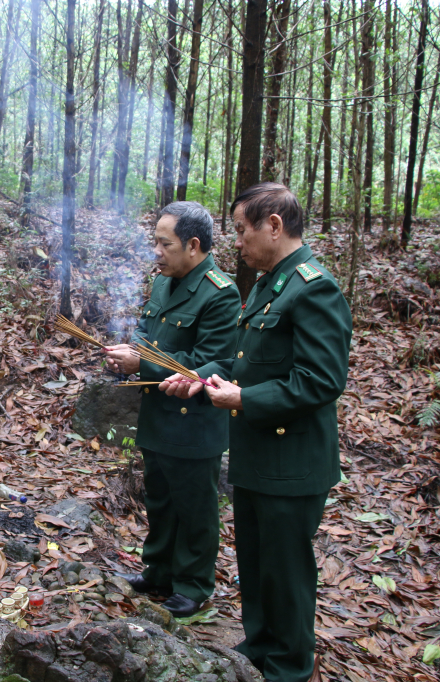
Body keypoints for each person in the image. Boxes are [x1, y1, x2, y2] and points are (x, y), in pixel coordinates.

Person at [160, 182, 352, 682]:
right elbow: (250, 361)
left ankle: (289, 666)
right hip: (255, 456)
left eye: (243, 231)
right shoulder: (270, 283)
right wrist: (204, 378)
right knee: (257, 559)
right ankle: (259, 645)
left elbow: (322, 380)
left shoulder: (314, 287)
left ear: (274, 225)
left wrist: (244, 399)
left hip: (292, 461)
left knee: (286, 571)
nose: (237, 243)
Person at [103, 201, 241, 618]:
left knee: (194, 505)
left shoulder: (221, 293)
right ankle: (158, 570)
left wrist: (141, 363)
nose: (156, 252)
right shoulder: (164, 281)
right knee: (160, 497)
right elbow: (148, 329)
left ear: (193, 245)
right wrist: (130, 348)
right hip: (158, 414)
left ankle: (194, 585)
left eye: (165, 244)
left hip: (194, 421)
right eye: (155, 242)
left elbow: (212, 362)